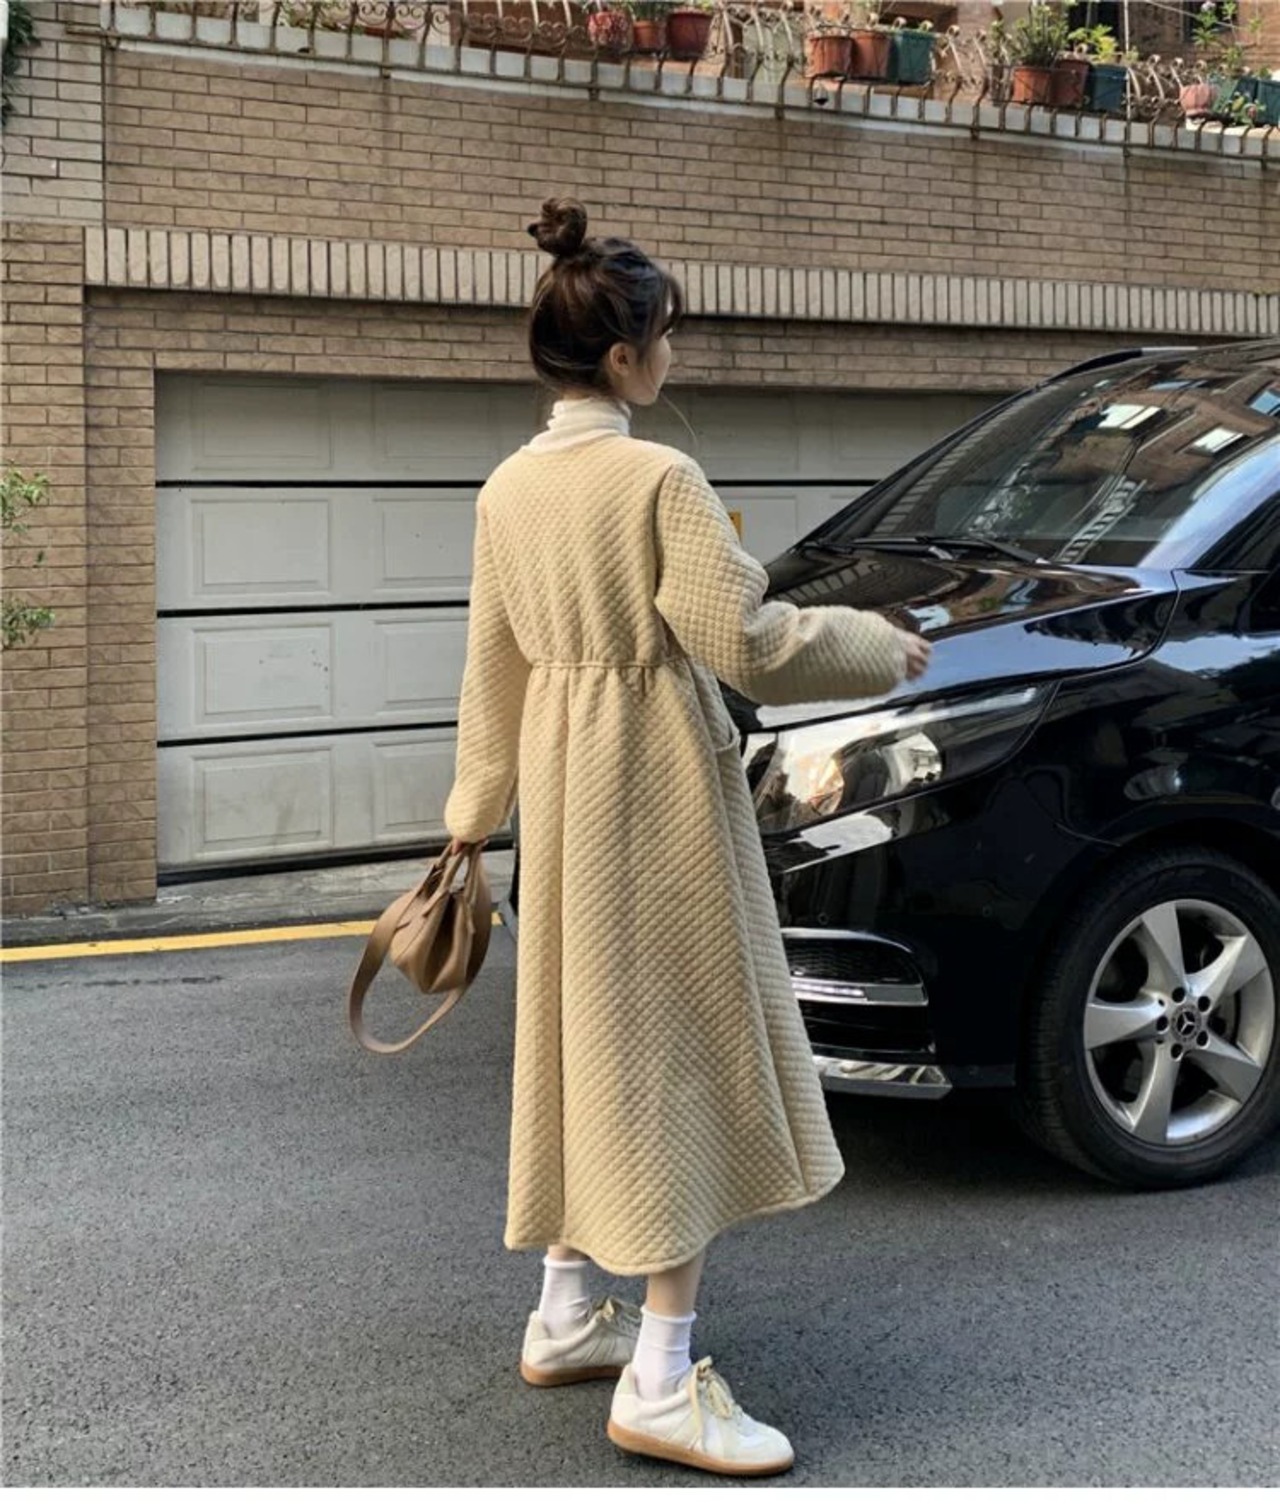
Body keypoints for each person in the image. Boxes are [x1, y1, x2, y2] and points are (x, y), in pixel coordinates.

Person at [443, 196, 930, 1477]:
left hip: (562, 795)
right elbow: (746, 643)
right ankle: (659, 1378)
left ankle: (563, 1311)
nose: (674, 356)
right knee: (674, 1056)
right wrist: (875, 644)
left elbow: (491, 671)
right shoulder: (658, 478)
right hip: (653, 790)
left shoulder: (507, 490)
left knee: (582, 1036)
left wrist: (469, 821)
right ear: (623, 357)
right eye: (665, 338)